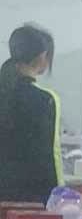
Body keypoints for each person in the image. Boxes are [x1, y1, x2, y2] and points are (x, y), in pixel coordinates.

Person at [0, 24, 63, 204]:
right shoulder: (47, 99)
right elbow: (52, 155)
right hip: (31, 200)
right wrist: (58, 197)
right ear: (42, 56)